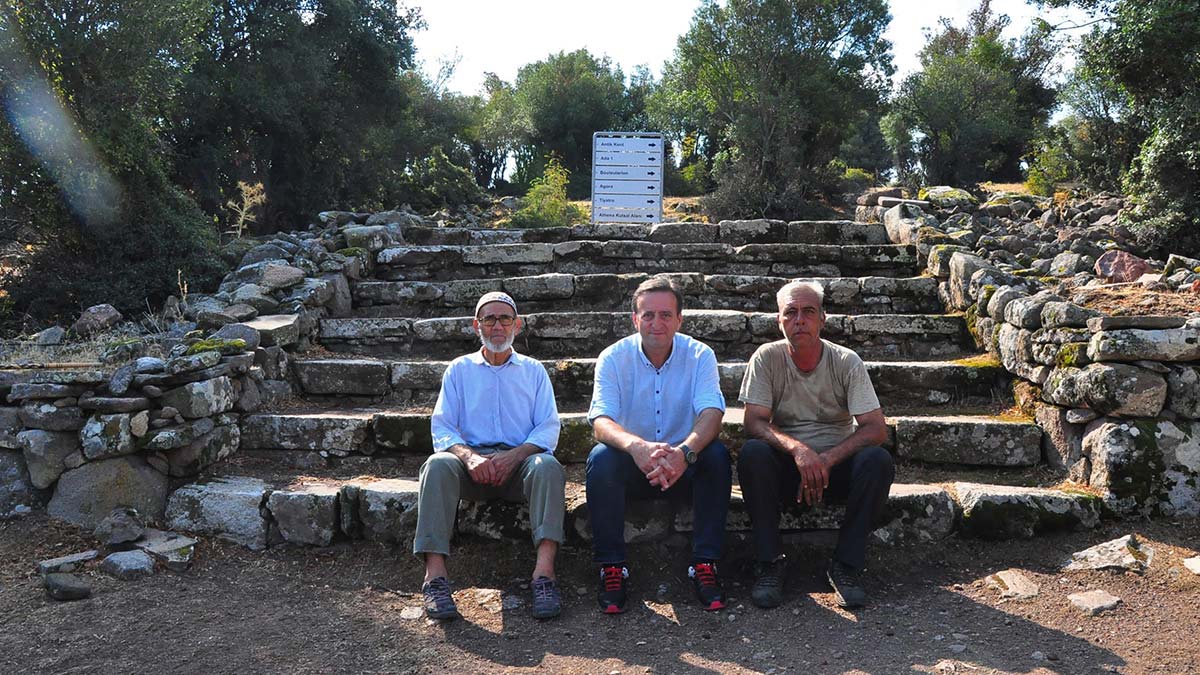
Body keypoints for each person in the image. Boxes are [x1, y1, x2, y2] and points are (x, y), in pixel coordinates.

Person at [737, 279, 893, 609]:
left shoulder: (846, 361)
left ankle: (846, 566)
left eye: (808, 312)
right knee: (753, 454)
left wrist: (827, 459)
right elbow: (753, 422)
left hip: (836, 469)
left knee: (877, 461)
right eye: (790, 313)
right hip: (787, 470)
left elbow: (876, 429)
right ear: (779, 320)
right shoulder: (766, 358)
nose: (799, 320)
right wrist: (799, 451)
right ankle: (770, 562)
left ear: (823, 319)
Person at [413, 291, 565, 621]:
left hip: (519, 467)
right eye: (489, 319)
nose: (497, 326)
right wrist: (470, 458)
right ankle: (435, 577)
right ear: (476, 325)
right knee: (437, 465)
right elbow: (442, 427)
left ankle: (544, 575)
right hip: (471, 468)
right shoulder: (458, 370)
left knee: (548, 466)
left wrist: (514, 456)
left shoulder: (534, 371)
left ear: (517, 325)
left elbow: (548, 428)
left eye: (505, 318)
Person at [585, 275, 731, 614]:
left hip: (683, 465)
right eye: (647, 315)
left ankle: (705, 564)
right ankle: (611, 567)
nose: (656, 322)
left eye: (666, 314)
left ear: (680, 319)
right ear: (635, 319)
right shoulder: (612, 357)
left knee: (717, 456)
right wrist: (637, 448)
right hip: (633, 465)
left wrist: (685, 452)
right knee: (601, 458)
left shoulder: (699, 355)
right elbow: (601, 421)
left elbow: (712, 413)